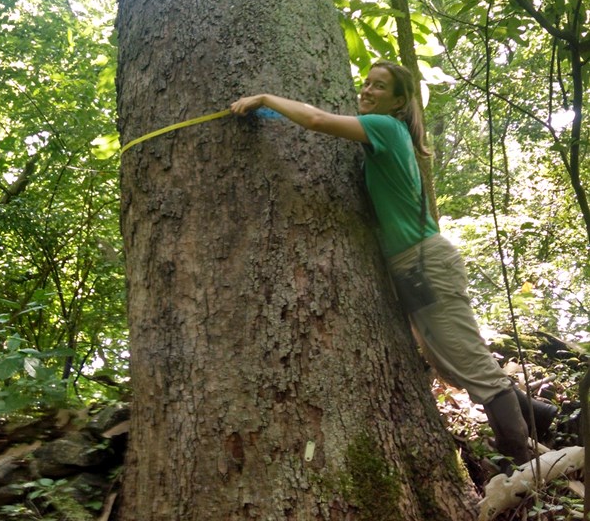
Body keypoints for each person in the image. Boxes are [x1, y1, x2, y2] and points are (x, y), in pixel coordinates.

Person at [230, 61, 556, 471]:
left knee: (472, 367)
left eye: (379, 86)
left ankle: (525, 469)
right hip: (416, 265)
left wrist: (263, 98)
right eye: (365, 83)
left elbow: (315, 119)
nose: (366, 90)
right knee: (454, 364)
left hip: (425, 263)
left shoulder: (385, 127)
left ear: (400, 101)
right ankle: (550, 421)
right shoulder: (385, 134)